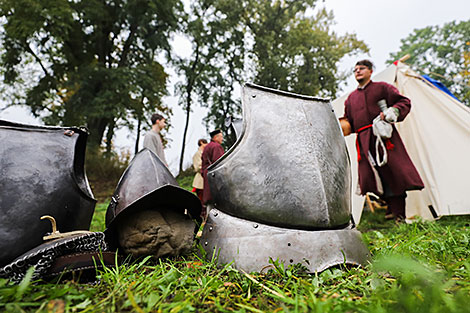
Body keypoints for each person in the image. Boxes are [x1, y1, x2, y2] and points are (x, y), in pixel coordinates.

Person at [341, 59, 424, 220]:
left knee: (394, 173)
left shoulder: (382, 88)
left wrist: (394, 111)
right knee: (370, 177)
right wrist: (338, 126)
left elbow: (403, 102)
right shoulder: (350, 99)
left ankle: (399, 214)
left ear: (370, 71)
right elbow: (348, 122)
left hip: (384, 138)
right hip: (364, 142)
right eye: (355, 69)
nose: (358, 71)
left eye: (362, 68)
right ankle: (390, 208)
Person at [201, 129, 225, 207]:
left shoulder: (207, 146)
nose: (222, 139)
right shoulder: (216, 146)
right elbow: (219, 162)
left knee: (209, 200)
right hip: (214, 175)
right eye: (221, 137)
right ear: (215, 137)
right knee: (216, 200)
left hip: (206, 173)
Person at [192, 138, 208, 204]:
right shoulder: (197, 154)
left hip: (206, 179)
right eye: (205, 143)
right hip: (200, 181)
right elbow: (197, 167)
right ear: (201, 143)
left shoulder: (206, 153)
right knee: (201, 201)